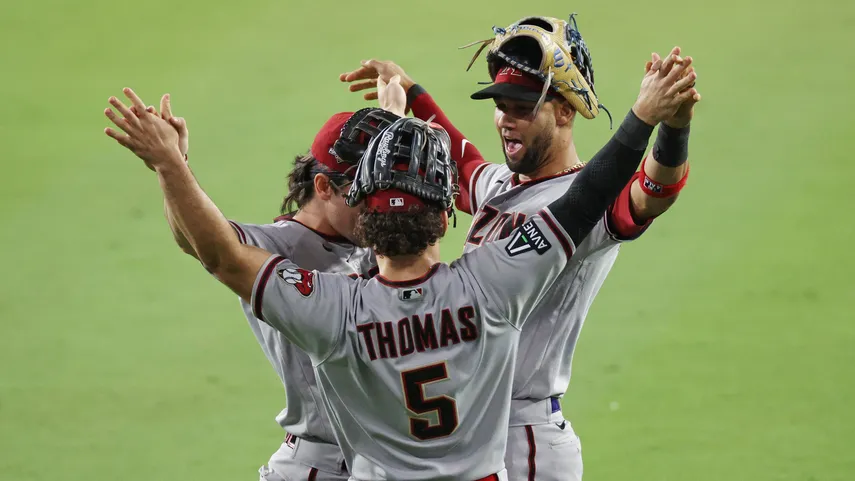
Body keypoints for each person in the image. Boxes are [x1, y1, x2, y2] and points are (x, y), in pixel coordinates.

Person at [103, 58, 693, 480]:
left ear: (365, 213)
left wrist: (171, 166)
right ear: (446, 219)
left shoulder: (334, 308)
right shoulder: (492, 285)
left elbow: (221, 254)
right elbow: (584, 198)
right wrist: (648, 117)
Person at [340, 14, 700, 481]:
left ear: (565, 111)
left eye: (522, 108)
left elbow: (653, 192)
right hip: (475, 427)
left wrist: (673, 126)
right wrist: (410, 91)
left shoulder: (586, 206)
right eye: (500, 106)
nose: (506, 121)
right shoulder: (500, 184)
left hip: (524, 438)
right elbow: (461, 160)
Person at [135, 91, 398, 481]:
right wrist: (171, 165)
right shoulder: (276, 249)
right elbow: (206, 244)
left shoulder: (371, 232)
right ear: (324, 187)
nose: (381, 207)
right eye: (365, 197)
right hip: (324, 466)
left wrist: (394, 114)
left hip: (388, 462)